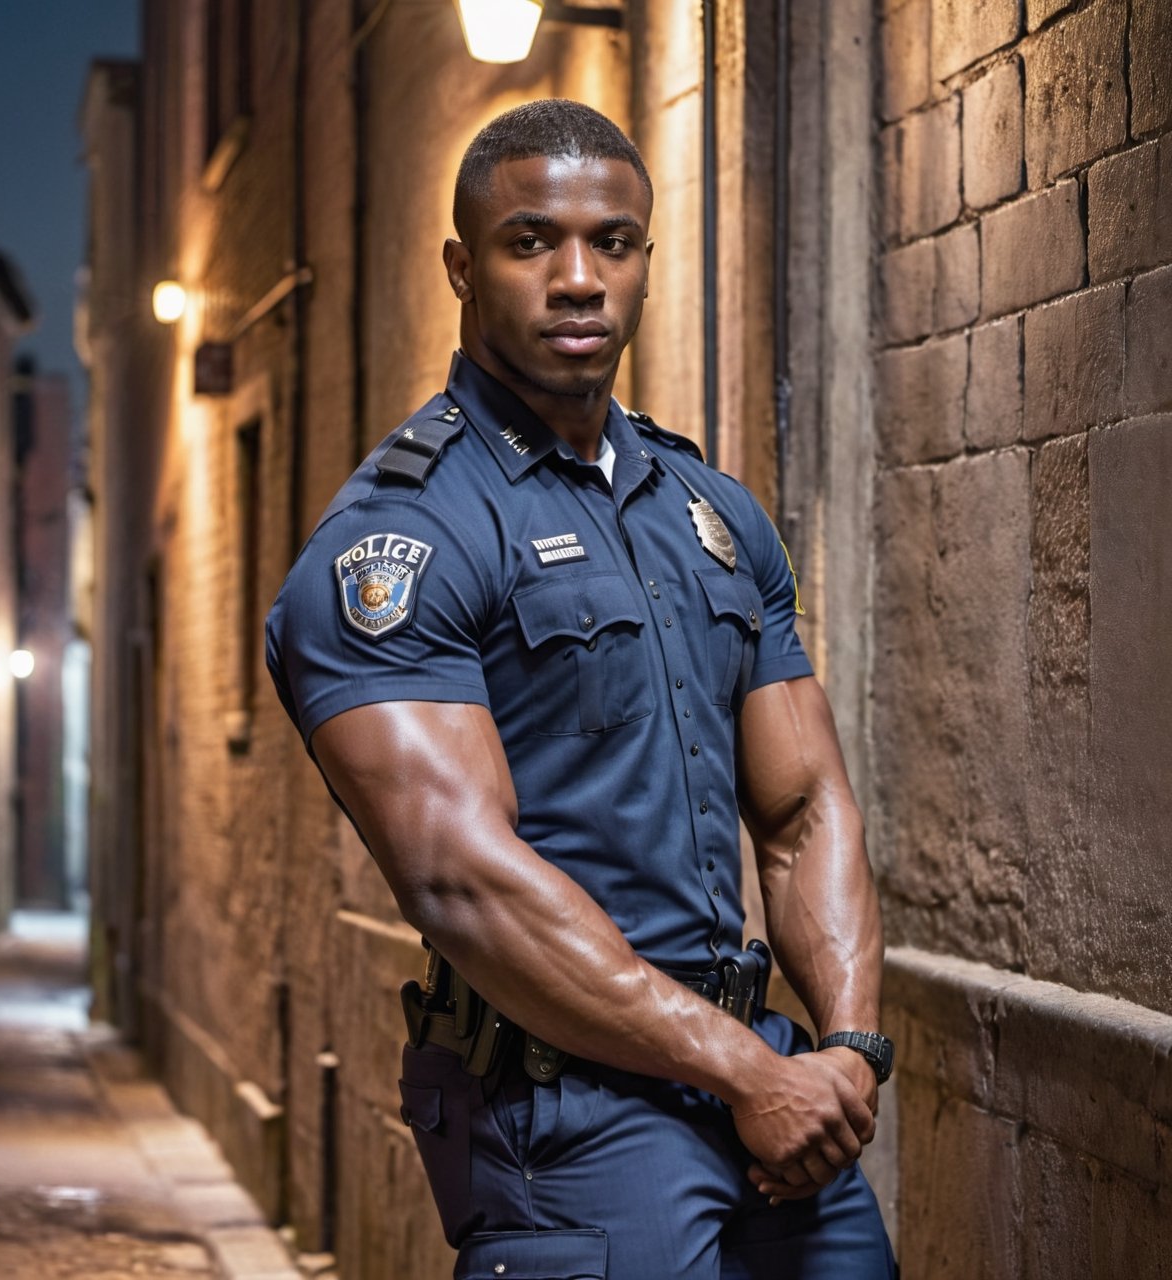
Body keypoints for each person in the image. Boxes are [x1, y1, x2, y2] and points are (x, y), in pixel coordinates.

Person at [266, 99, 895, 1280]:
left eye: (612, 241)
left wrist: (847, 1047)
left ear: (644, 261)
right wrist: (748, 1070)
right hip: (570, 1119)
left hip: (762, 1090)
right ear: (461, 265)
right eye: (529, 242)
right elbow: (464, 882)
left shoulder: (709, 514)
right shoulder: (400, 539)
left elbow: (805, 806)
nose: (576, 278)